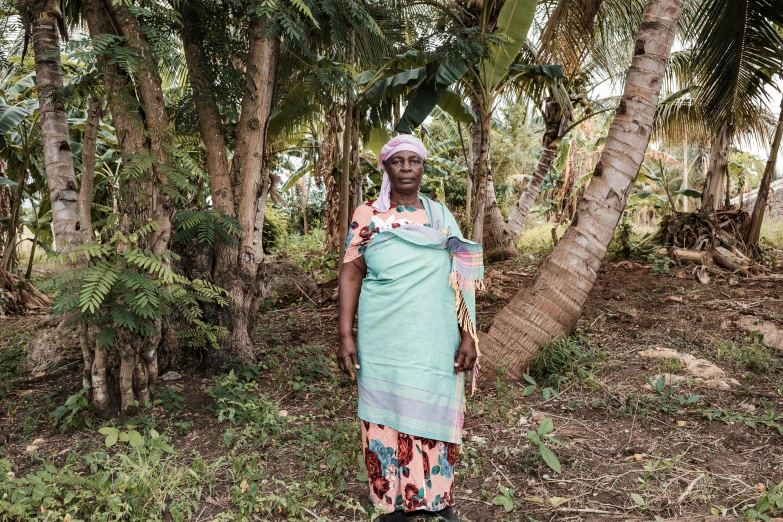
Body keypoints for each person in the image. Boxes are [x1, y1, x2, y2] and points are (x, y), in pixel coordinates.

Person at [337, 134, 484, 521]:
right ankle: (392, 502)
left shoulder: (438, 216)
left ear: (422, 167)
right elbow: (351, 272)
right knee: (384, 416)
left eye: (413, 161)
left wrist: (469, 334)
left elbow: (462, 275)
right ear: (385, 168)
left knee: (433, 408)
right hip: (383, 336)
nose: (406, 168)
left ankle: (438, 498)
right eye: (397, 161)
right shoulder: (367, 215)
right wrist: (345, 335)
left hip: (434, 338)